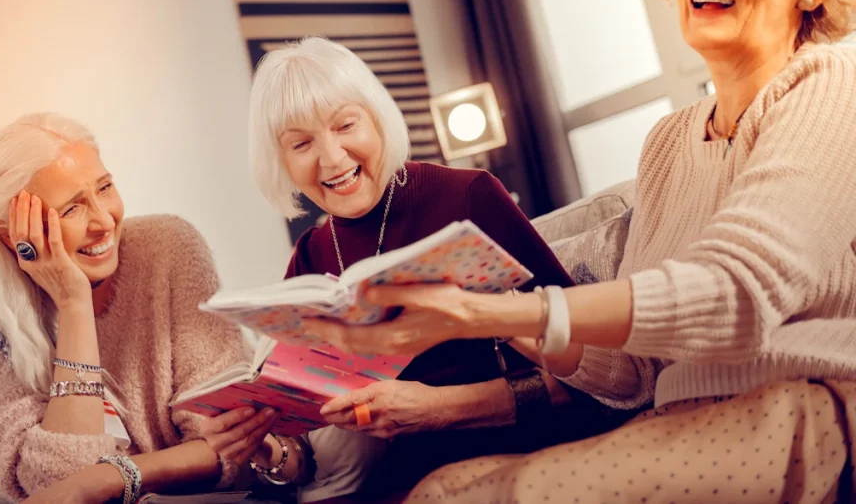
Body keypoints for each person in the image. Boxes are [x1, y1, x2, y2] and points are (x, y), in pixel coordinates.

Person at [302, 0, 856, 502]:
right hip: (673, 416)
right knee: (440, 485)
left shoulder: (831, 85)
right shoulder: (670, 142)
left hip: (800, 410)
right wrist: (490, 317)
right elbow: (630, 375)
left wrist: (488, 308)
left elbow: (737, 292)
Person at [246, 37, 628, 500]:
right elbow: (309, 435)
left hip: (516, 457)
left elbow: (594, 372)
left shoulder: (468, 198)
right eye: (301, 143)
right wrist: (271, 450)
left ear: (377, 118)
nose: (331, 157)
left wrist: (439, 407)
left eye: (346, 124)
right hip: (399, 482)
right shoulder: (311, 255)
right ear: (281, 161)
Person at [0, 113, 308, 503]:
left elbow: (223, 440)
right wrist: (74, 305)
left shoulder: (167, 248)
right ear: (13, 238)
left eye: (104, 188)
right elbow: (59, 482)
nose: (104, 220)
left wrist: (115, 478)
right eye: (71, 209)